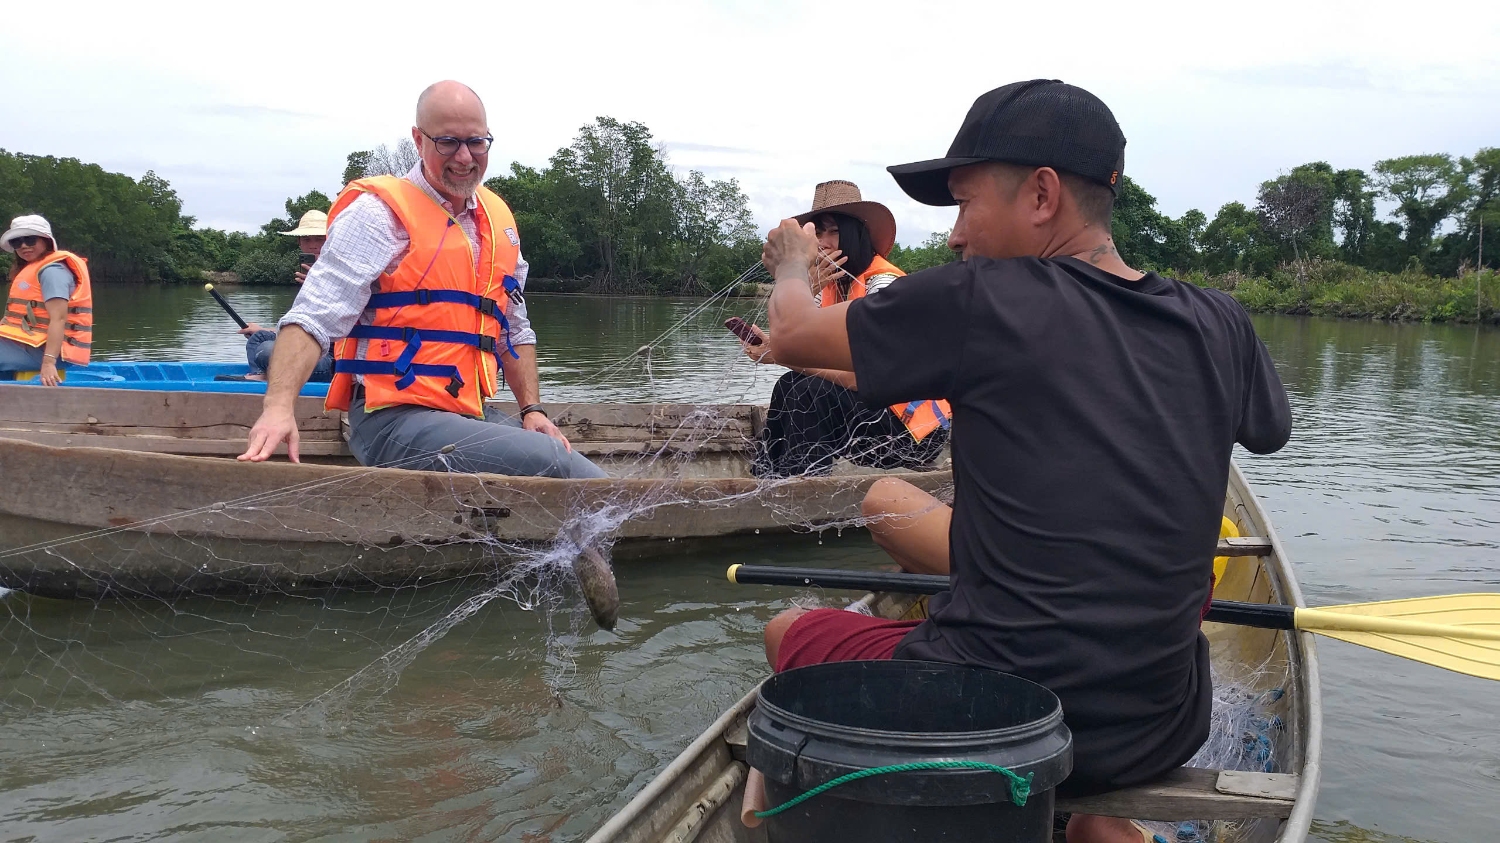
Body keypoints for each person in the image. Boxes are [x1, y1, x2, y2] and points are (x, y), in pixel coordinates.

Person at [757, 80, 1292, 843]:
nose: (953, 236)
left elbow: (788, 335)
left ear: (1041, 195)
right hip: (1159, 723)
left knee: (789, 631)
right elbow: (1268, 430)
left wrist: (790, 262)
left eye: (965, 202)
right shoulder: (1220, 319)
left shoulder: (983, 297)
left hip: (996, 719)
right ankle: (1097, 822)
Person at [238, 80, 605, 480]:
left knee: (558, 452)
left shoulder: (499, 223)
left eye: (476, 142)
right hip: (391, 421)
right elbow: (313, 316)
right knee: (557, 465)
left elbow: (514, 331)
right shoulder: (378, 214)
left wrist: (531, 410)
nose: (465, 157)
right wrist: (278, 407)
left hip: (467, 411)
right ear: (418, 139)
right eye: (448, 142)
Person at [742, 180, 951, 477]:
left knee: (811, 393)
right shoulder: (827, 282)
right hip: (871, 413)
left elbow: (860, 378)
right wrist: (804, 286)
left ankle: (803, 487)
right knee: (788, 385)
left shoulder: (883, 285)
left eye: (834, 231)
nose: (823, 242)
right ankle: (769, 478)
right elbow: (788, 337)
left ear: (855, 234)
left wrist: (782, 356)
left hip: (912, 431)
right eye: (818, 232)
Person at [238, 209, 335, 381]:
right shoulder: (305, 276)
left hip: (330, 357)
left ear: (330, 239)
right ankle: (259, 376)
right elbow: (302, 326)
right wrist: (263, 329)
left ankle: (268, 377)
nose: (313, 245)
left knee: (267, 352)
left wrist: (319, 285)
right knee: (258, 338)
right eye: (307, 239)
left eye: (319, 239)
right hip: (304, 344)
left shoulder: (341, 272)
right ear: (300, 243)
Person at [0, 214, 92, 385]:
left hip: (50, 351)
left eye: (30, 239)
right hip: (29, 343)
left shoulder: (52, 271)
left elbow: (59, 318)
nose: (24, 246)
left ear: (46, 241)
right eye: (17, 242)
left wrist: (49, 363)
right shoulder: (34, 268)